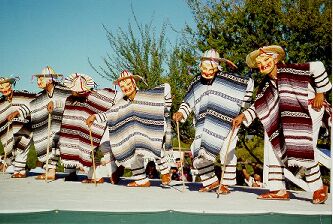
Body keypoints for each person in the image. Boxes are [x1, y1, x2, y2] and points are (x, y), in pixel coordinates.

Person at [233, 45, 331, 204]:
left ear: (275, 59)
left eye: (266, 59)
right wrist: (243, 115)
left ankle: (319, 188)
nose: (262, 64)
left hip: (310, 109)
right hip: (288, 117)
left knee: (303, 148)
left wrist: (320, 92)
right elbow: (259, 105)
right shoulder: (265, 85)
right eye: (259, 63)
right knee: (273, 143)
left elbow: (318, 66)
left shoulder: (291, 70)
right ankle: (278, 189)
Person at [173, 49, 254, 194]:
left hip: (228, 121)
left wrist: (244, 106)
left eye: (211, 69)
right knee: (197, 151)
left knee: (227, 151)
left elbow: (248, 83)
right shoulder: (196, 82)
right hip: (203, 124)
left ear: (217, 67)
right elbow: (188, 101)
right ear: (200, 66)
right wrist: (180, 112)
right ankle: (211, 181)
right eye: (204, 68)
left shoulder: (228, 79)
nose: (207, 72)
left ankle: (226, 184)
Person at [86, 70, 173, 187]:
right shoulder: (121, 103)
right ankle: (141, 180)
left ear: (134, 83)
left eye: (128, 84)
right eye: (122, 86)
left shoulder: (146, 95)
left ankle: (165, 172)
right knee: (133, 155)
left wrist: (166, 106)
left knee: (153, 145)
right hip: (133, 135)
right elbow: (109, 114)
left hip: (148, 129)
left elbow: (166, 87)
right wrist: (95, 117)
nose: (126, 87)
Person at [58, 73, 116, 183]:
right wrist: (54, 104)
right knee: (83, 151)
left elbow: (113, 97)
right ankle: (92, 177)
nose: (72, 91)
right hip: (79, 132)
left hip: (97, 129)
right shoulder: (70, 99)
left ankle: (98, 176)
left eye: (75, 89)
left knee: (90, 151)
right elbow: (63, 105)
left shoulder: (94, 96)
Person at [27, 66, 70, 180]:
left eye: (41, 78)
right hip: (53, 128)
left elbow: (70, 101)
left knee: (65, 145)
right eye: (38, 78)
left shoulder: (63, 90)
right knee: (49, 142)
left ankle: (71, 172)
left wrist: (55, 104)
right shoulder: (41, 96)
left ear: (50, 80)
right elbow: (32, 106)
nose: (38, 81)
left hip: (65, 124)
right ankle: (51, 171)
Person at [0, 76, 36, 178]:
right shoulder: (1, 102)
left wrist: (20, 112)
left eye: (6, 86)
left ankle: (20, 171)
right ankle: (19, 170)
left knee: (22, 147)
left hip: (25, 126)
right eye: (1, 88)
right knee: (12, 149)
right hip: (10, 130)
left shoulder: (22, 94)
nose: (4, 90)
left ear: (11, 85)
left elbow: (35, 100)